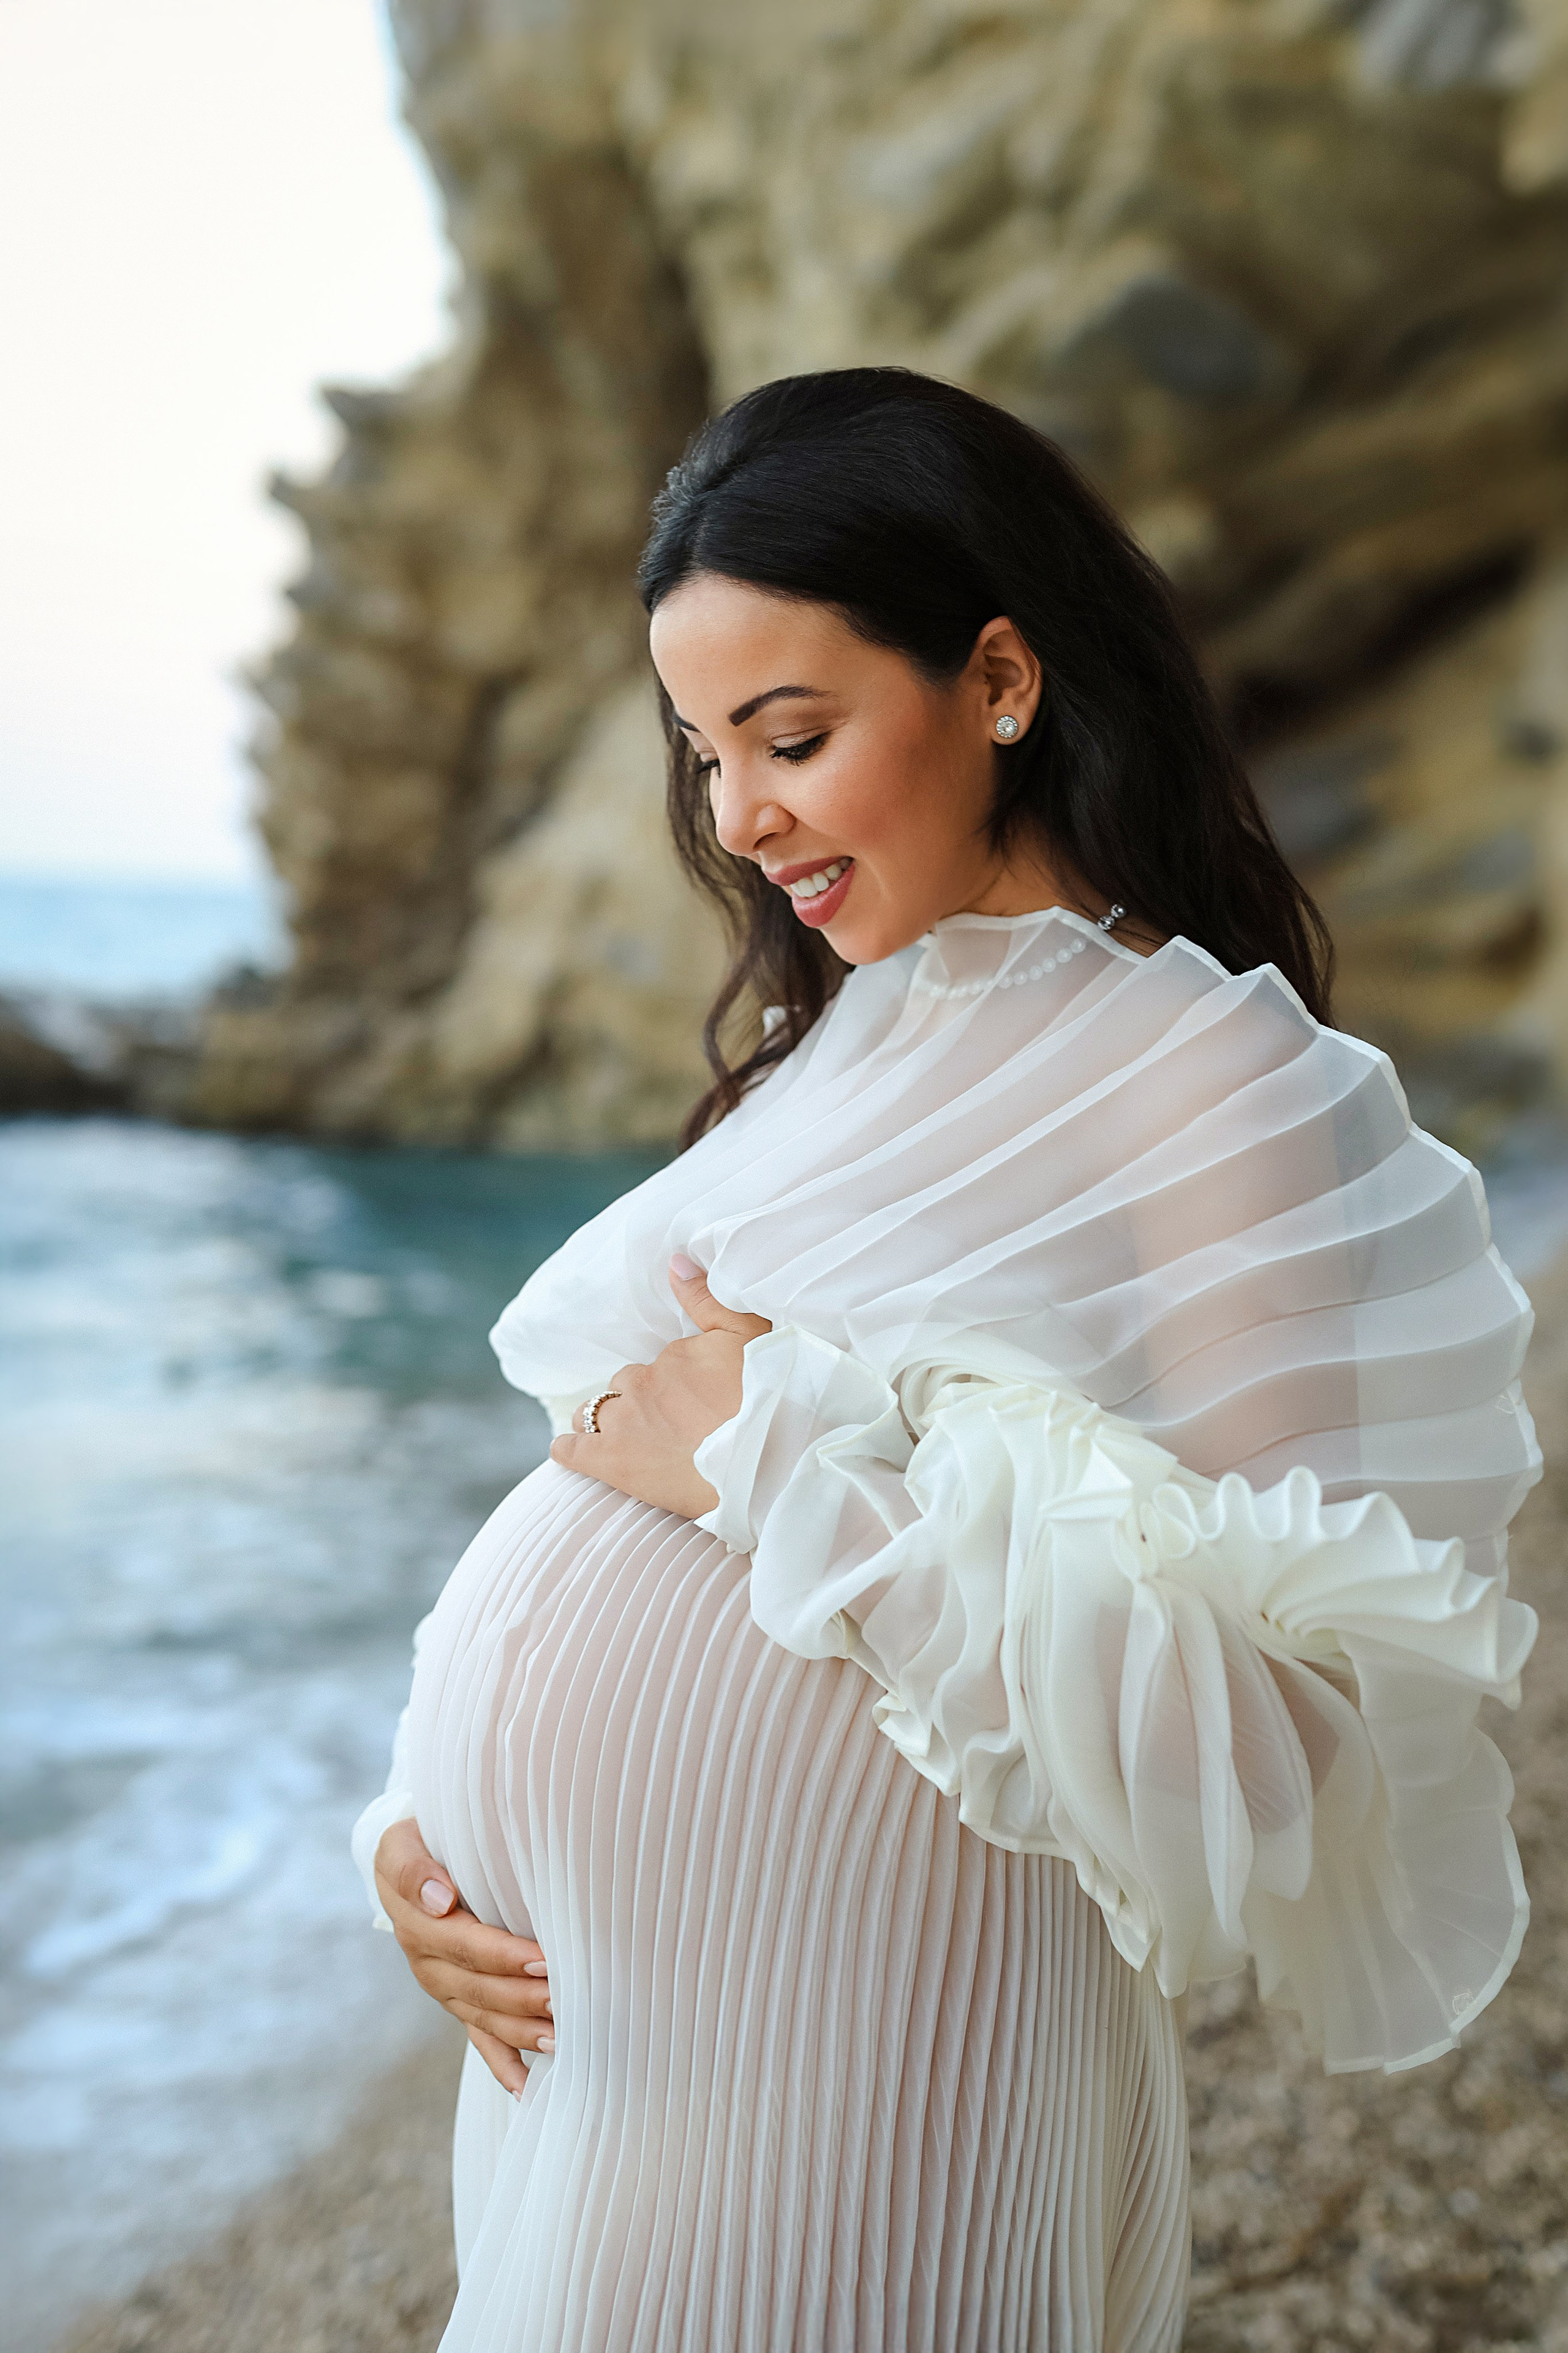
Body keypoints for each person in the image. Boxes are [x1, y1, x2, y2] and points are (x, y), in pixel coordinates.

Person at [354, 369, 1540, 2353]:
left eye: (791, 735)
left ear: (999, 677)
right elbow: (606, 1477)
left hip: (878, 2048)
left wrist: (780, 1468)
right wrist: (412, 1841)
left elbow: (1280, 1737)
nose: (737, 818)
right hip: (621, 2059)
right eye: (703, 750)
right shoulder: (842, 1050)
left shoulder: (1209, 1084)